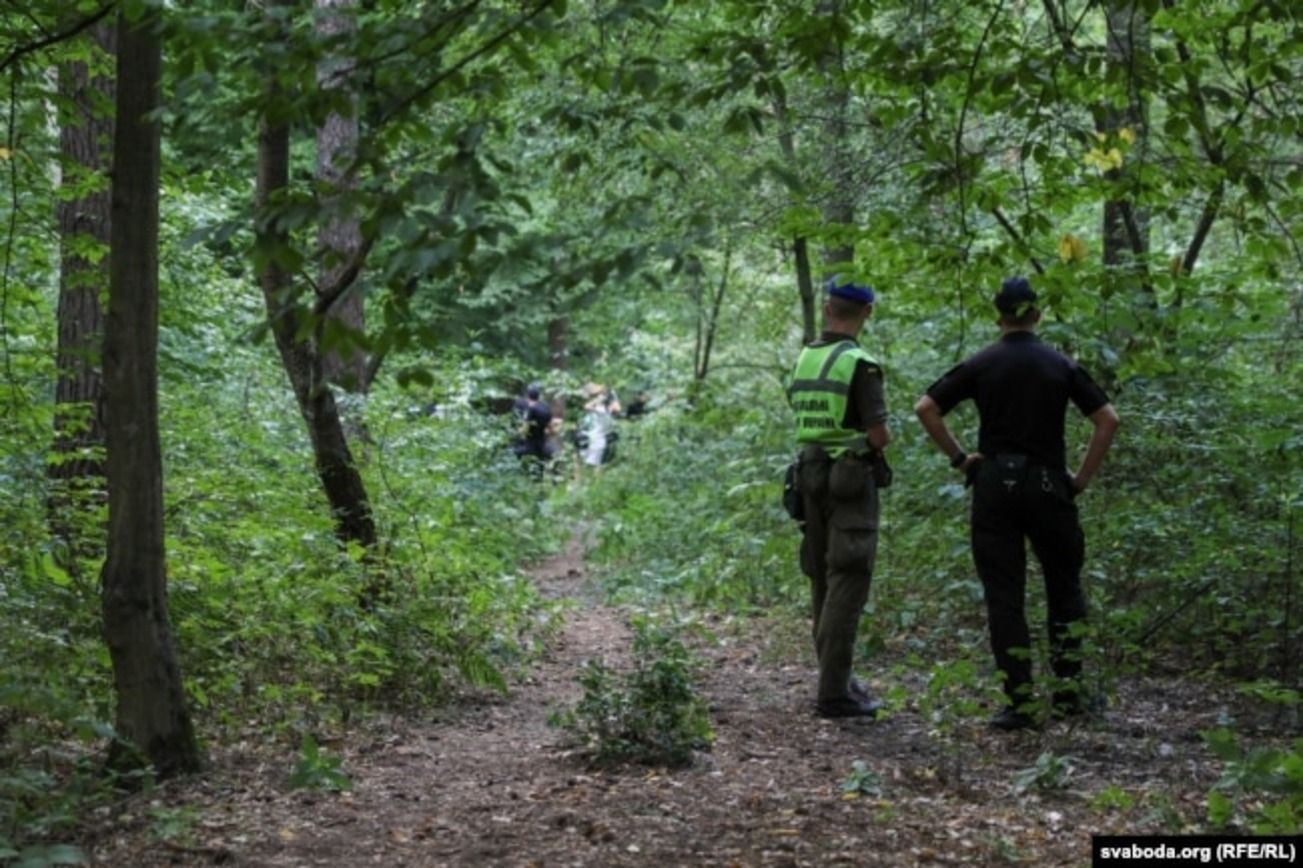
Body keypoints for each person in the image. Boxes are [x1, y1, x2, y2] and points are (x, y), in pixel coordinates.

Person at [914, 276, 1120, 730]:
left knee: (1004, 597)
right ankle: (1068, 695)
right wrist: (1080, 479)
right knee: (1064, 588)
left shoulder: (981, 363)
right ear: (1038, 315)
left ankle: (1020, 704)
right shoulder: (1060, 364)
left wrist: (961, 460)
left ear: (999, 316)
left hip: (993, 490)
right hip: (1049, 488)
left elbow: (925, 407)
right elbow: (1107, 419)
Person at [787, 278, 892, 719]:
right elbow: (878, 433)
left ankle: (837, 679)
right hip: (849, 480)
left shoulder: (806, 357)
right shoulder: (860, 364)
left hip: (809, 474)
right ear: (866, 312)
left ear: (828, 308)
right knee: (847, 578)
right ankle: (834, 693)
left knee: (822, 580)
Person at [512, 383, 552, 477]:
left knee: (514, 454)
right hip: (542, 441)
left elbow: (524, 429)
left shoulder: (529, 408)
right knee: (540, 465)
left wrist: (515, 434)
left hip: (529, 442)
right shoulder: (546, 406)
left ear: (527, 395)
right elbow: (550, 427)